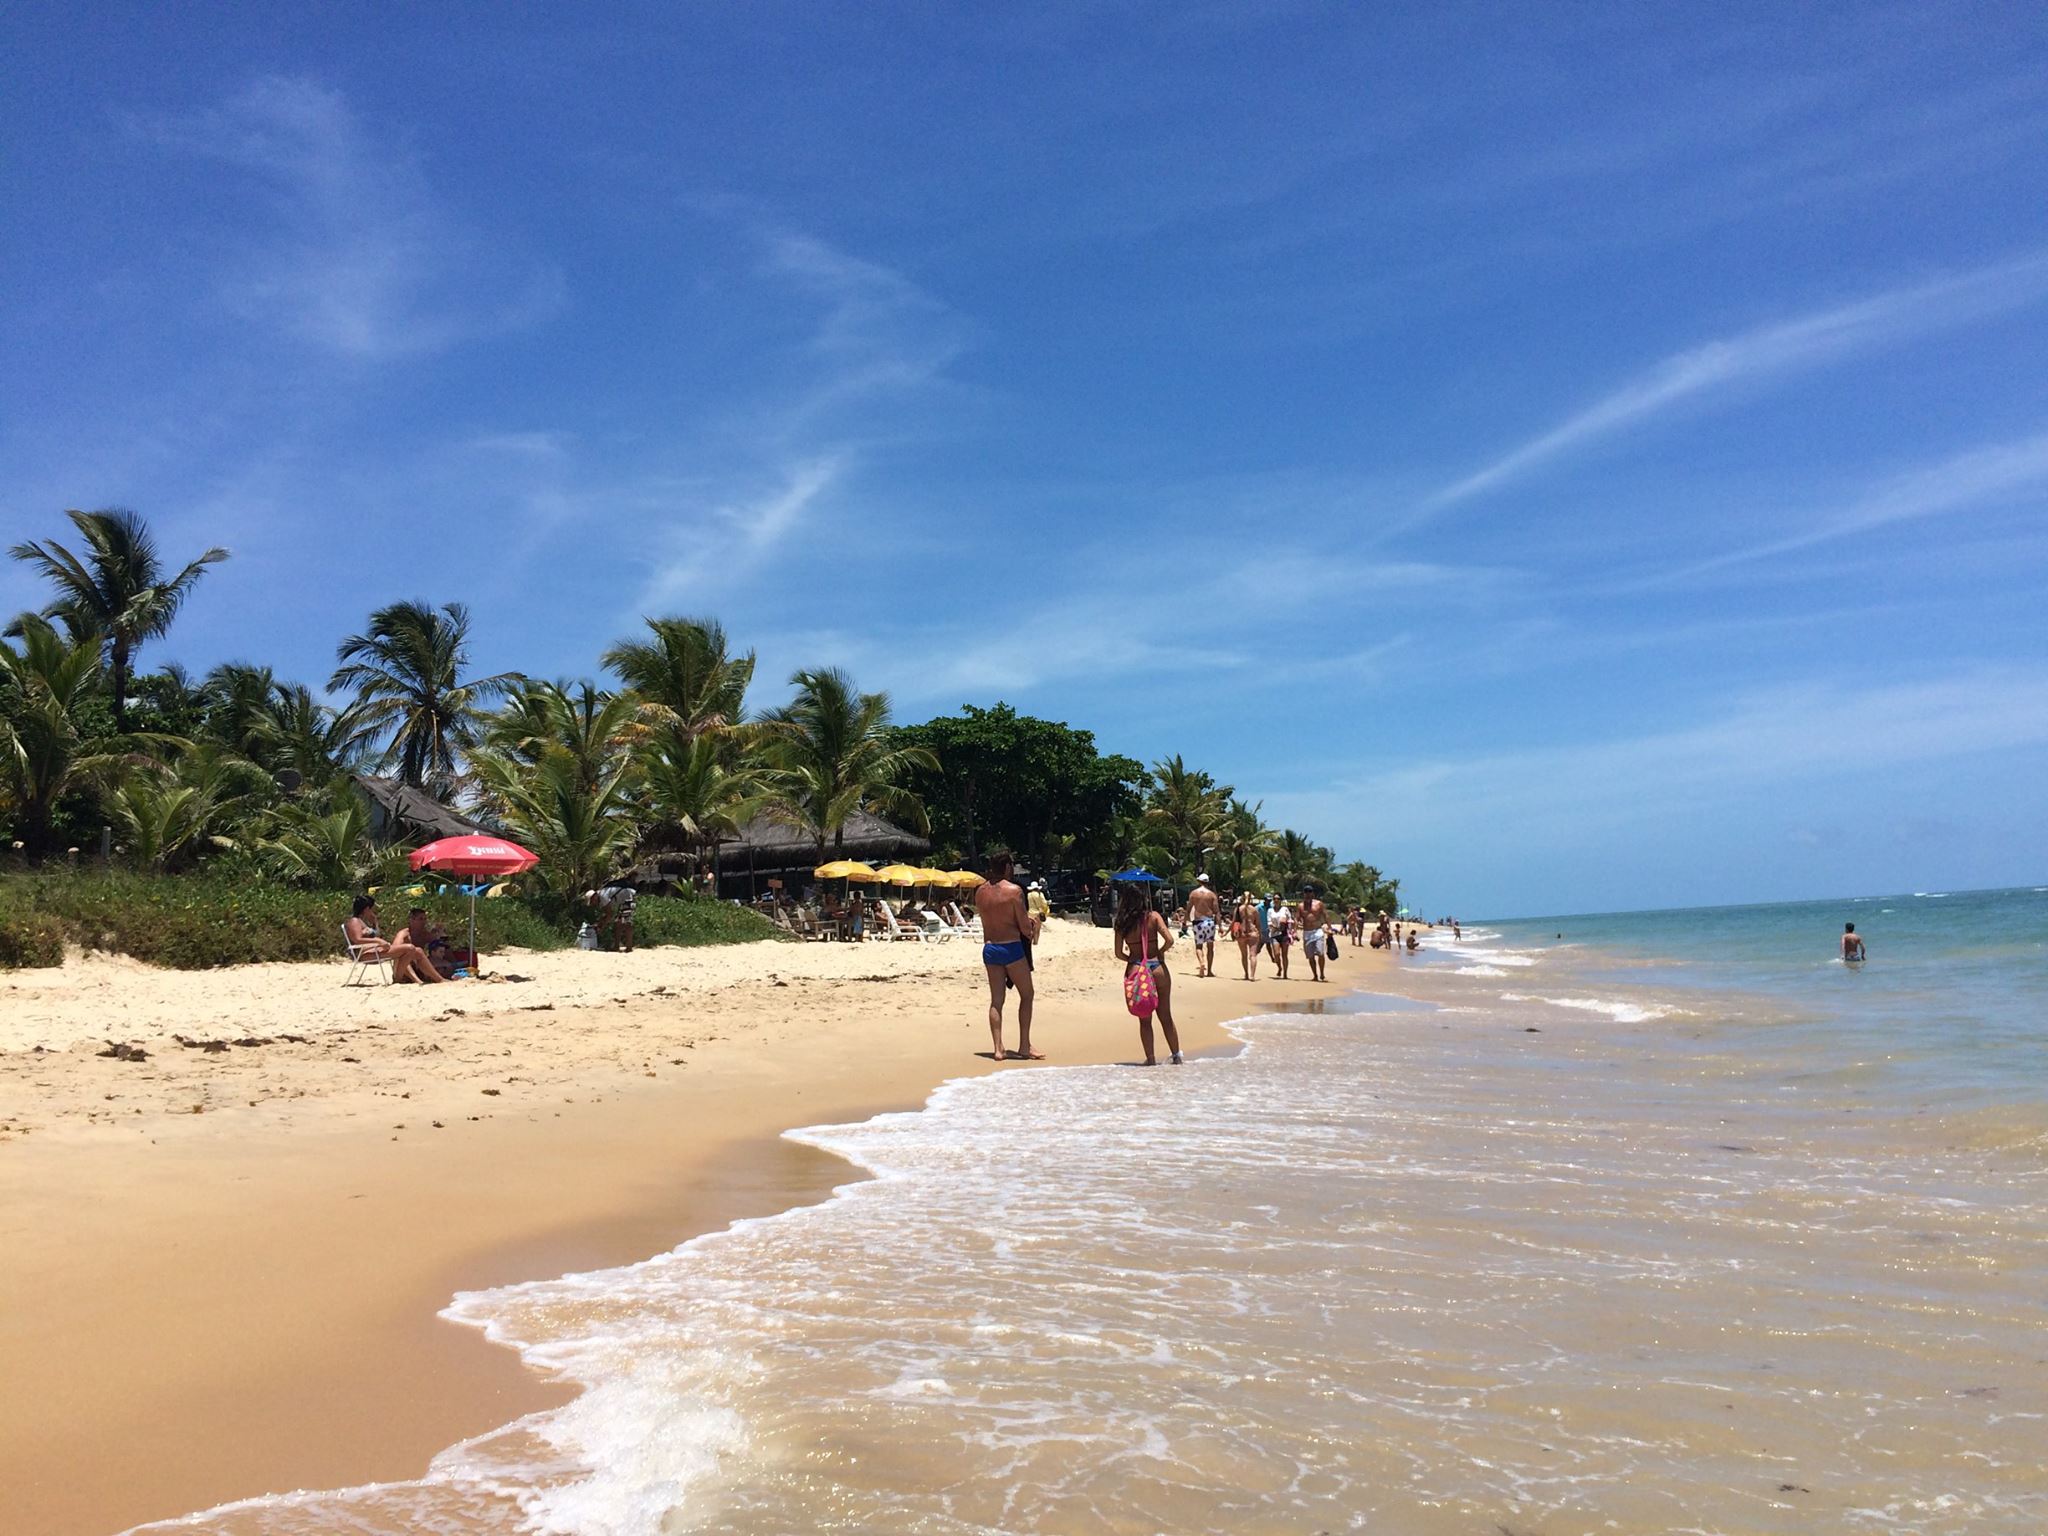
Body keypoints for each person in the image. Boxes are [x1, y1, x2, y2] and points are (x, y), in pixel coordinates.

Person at [974, 848, 1042, 1060]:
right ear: (1006, 866)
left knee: (996, 1000)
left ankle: (998, 1048)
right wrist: (1034, 923)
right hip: (1011, 947)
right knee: (1027, 994)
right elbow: (1024, 929)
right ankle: (1024, 1045)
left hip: (990, 948)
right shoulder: (1014, 891)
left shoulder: (979, 892)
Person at [1113, 882, 1182, 1065]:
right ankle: (1176, 1056)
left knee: (1145, 1019)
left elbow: (1118, 953)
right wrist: (1159, 952)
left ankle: (1151, 1059)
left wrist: (1132, 959)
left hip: (1136, 968)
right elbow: (1170, 939)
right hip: (1157, 967)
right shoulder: (1153, 917)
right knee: (1165, 1016)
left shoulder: (1121, 922)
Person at [1186, 872, 1220, 978]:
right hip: (1209, 922)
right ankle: (1209, 971)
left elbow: (1189, 908)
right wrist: (1220, 925)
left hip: (1198, 922)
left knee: (1199, 945)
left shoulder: (1193, 893)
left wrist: (1185, 920)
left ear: (1198, 881)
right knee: (1210, 946)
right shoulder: (1212, 895)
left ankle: (1201, 962)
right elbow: (1217, 911)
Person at [587, 882, 637, 952]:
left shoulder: (603, 897)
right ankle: (617, 946)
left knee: (627, 923)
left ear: (594, 896)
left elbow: (609, 915)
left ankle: (629, 947)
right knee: (618, 923)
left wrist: (602, 927)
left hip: (628, 897)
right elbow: (608, 913)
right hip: (623, 900)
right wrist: (601, 923)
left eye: (592, 901)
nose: (593, 903)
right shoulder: (601, 896)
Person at [1234, 891, 1261, 980]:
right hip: (1253, 933)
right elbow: (1258, 924)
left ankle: (1246, 974)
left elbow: (1234, 922)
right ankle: (1252, 975)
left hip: (1241, 934)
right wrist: (1259, 934)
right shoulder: (1254, 910)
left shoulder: (1238, 909)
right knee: (1253, 955)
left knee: (1244, 955)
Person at [1268, 892, 1293, 979]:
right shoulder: (1270, 910)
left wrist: (1291, 931)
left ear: (1281, 900)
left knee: (1284, 955)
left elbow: (1290, 920)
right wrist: (1277, 927)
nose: (1276, 900)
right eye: (1274, 898)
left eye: (1278, 898)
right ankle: (1279, 967)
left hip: (1284, 934)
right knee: (1276, 954)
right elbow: (1269, 923)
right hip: (1274, 934)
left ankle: (1285, 974)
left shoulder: (1285, 909)